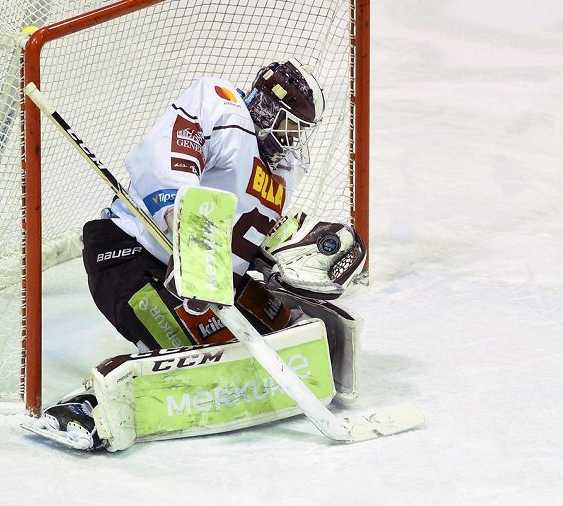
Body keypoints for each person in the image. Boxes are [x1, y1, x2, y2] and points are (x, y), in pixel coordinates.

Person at [34, 58, 366, 450]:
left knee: (282, 328)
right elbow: (169, 156)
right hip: (130, 256)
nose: (293, 137)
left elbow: (249, 236)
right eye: (290, 123)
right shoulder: (221, 106)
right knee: (204, 351)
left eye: (301, 130)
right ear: (266, 105)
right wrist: (181, 217)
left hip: (210, 277)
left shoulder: (282, 170)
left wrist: (285, 258)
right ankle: (87, 407)